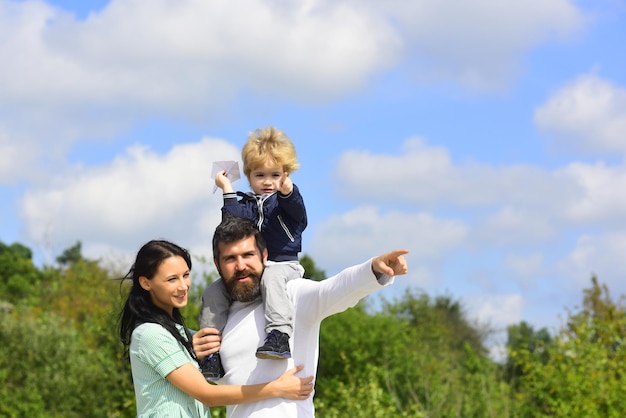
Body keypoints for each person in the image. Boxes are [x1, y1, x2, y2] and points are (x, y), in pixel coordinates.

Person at [193, 216, 409, 417]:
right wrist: (198, 354)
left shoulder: (292, 294)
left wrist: (372, 269)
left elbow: (333, 291)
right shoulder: (220, 318)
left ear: (265, 256)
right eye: (230, 259)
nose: (241, 266)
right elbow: (228, 383)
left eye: (248, 255)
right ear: (217, 265)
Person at [118, 239, 313, 417]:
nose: (183, 286)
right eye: (172, 279)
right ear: (145, 282)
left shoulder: (179, 334)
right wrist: (276, 388)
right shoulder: (150, 334)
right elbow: (207, 394)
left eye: (185, 275)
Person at [199, 126, 307, 380]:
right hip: (253, 271)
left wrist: (288, 191)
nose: (268, 181)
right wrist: (227, 189)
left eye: (275, 175)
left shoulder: (284, 202)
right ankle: (211, 356)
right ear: (249, 176)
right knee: (213, 291)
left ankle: (279, 335)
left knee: (271, 277)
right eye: (260, 175)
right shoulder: (247, 204)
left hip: (283, 266)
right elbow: (231, 229)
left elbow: (298, 213)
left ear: (285, 174)